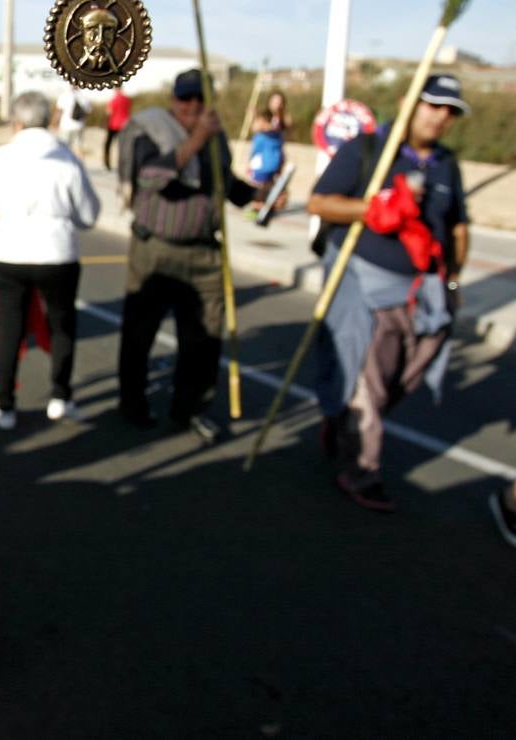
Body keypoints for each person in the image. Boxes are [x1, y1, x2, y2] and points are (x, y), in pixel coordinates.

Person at [307, 74, 470, 512]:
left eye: (449, 111)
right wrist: (371, 209)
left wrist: (453, 281)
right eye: (432, 105)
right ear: (408, 101)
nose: (440, 117)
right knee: (369, 378)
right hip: (361, 283)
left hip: (421, 290)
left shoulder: (446, 165)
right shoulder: (367, 150)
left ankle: (341, 419)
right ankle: (362, 468)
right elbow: (319, 202)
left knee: (405, 377)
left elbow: (457, 226)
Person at [116, 68, 271, 442]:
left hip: (203, 253)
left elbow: (226, 182)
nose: (193, 106)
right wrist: (196, 139)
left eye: (201, 99)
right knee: (140, 332)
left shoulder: (216, 140)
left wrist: (257, 195)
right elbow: (151, 177)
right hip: (156, 249)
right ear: (174, 100)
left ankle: (190, 408)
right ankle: (132, 402)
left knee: (204, 337)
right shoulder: (149, 130)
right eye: (186, 98)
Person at [0, 91, 100, 427]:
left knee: (11, 327)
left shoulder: (2, 157)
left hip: (9, 251)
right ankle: (60, 396)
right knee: (62, 325)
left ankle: (5, 403)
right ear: (49, 119)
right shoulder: (66, 158)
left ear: (17, 123)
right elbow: (89, 213)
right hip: (57, 252)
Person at [245, 110, 285, 217]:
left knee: (256, 189)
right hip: (273, 166)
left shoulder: (260, 137)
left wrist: (249, 165)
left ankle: (256, 210)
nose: (254, 125)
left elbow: (255, 152)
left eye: (256, 121)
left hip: (260, 167)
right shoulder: (277, 136)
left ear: (262, 121)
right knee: (268, 188)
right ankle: (267, 208)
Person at [55, 85, 90, 157]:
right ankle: (81, 165)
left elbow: (59, 111)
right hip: (79, 126)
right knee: (78, 148)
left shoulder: (65, 95)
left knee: (64, 149)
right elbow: (88, 112)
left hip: (66, 125)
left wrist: (54, 123)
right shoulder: (83, 97)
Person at [105, 86, 132, 170]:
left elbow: (109, 112)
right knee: (124, 146)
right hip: (125, 125)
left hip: (113, 124)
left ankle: (107, 164)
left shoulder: (113, 100)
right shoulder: (127, 99)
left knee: (108, 145)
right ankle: (124, 164)